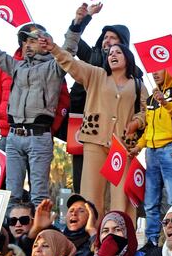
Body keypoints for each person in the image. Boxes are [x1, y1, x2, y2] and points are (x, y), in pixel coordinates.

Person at [40, 33, 147, 220]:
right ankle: (91, 235)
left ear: (128, 58)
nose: (112, 55)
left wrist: (136, 122)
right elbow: (73, 64)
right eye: (110, 53)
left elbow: (147, 111)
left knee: (121, 195)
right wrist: (54, 48)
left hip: (122, 146)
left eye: (118, 52)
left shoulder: (137, 84)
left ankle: (121, 235)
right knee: (91, 194)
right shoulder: (96, 75)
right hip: (94, 141)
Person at [0, 8, 82, 206]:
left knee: (39, 195)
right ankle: (11, 236)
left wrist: (77, 23)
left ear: (44, 43)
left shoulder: (55, 67)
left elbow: (69, 50)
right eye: (24, 41)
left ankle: (40, 237)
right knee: (11, 196)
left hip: (39, 137)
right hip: (13, 138)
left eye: (32, 41)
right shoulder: (16, 67)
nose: (26, 45)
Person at [68, 3, 139, 192]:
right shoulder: (91, 55)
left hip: (117, 135)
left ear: (123, 43)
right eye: (105, 37)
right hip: (86, 129)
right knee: (84, 184)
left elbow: (139, 104)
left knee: (116, 189)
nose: (107, 41)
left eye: (113, 38)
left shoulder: (134, 73)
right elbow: (71, 42)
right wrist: (84, 18)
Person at [132, 68, 172, 247]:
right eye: (153, 71)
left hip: (171, 147)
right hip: (151, 151)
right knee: (150, 201)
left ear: (169, 71)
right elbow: (148, 128)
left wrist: (165, 102)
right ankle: (151, 241)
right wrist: (138, 147)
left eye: (159, 70)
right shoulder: (151, 98)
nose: (155, 73)